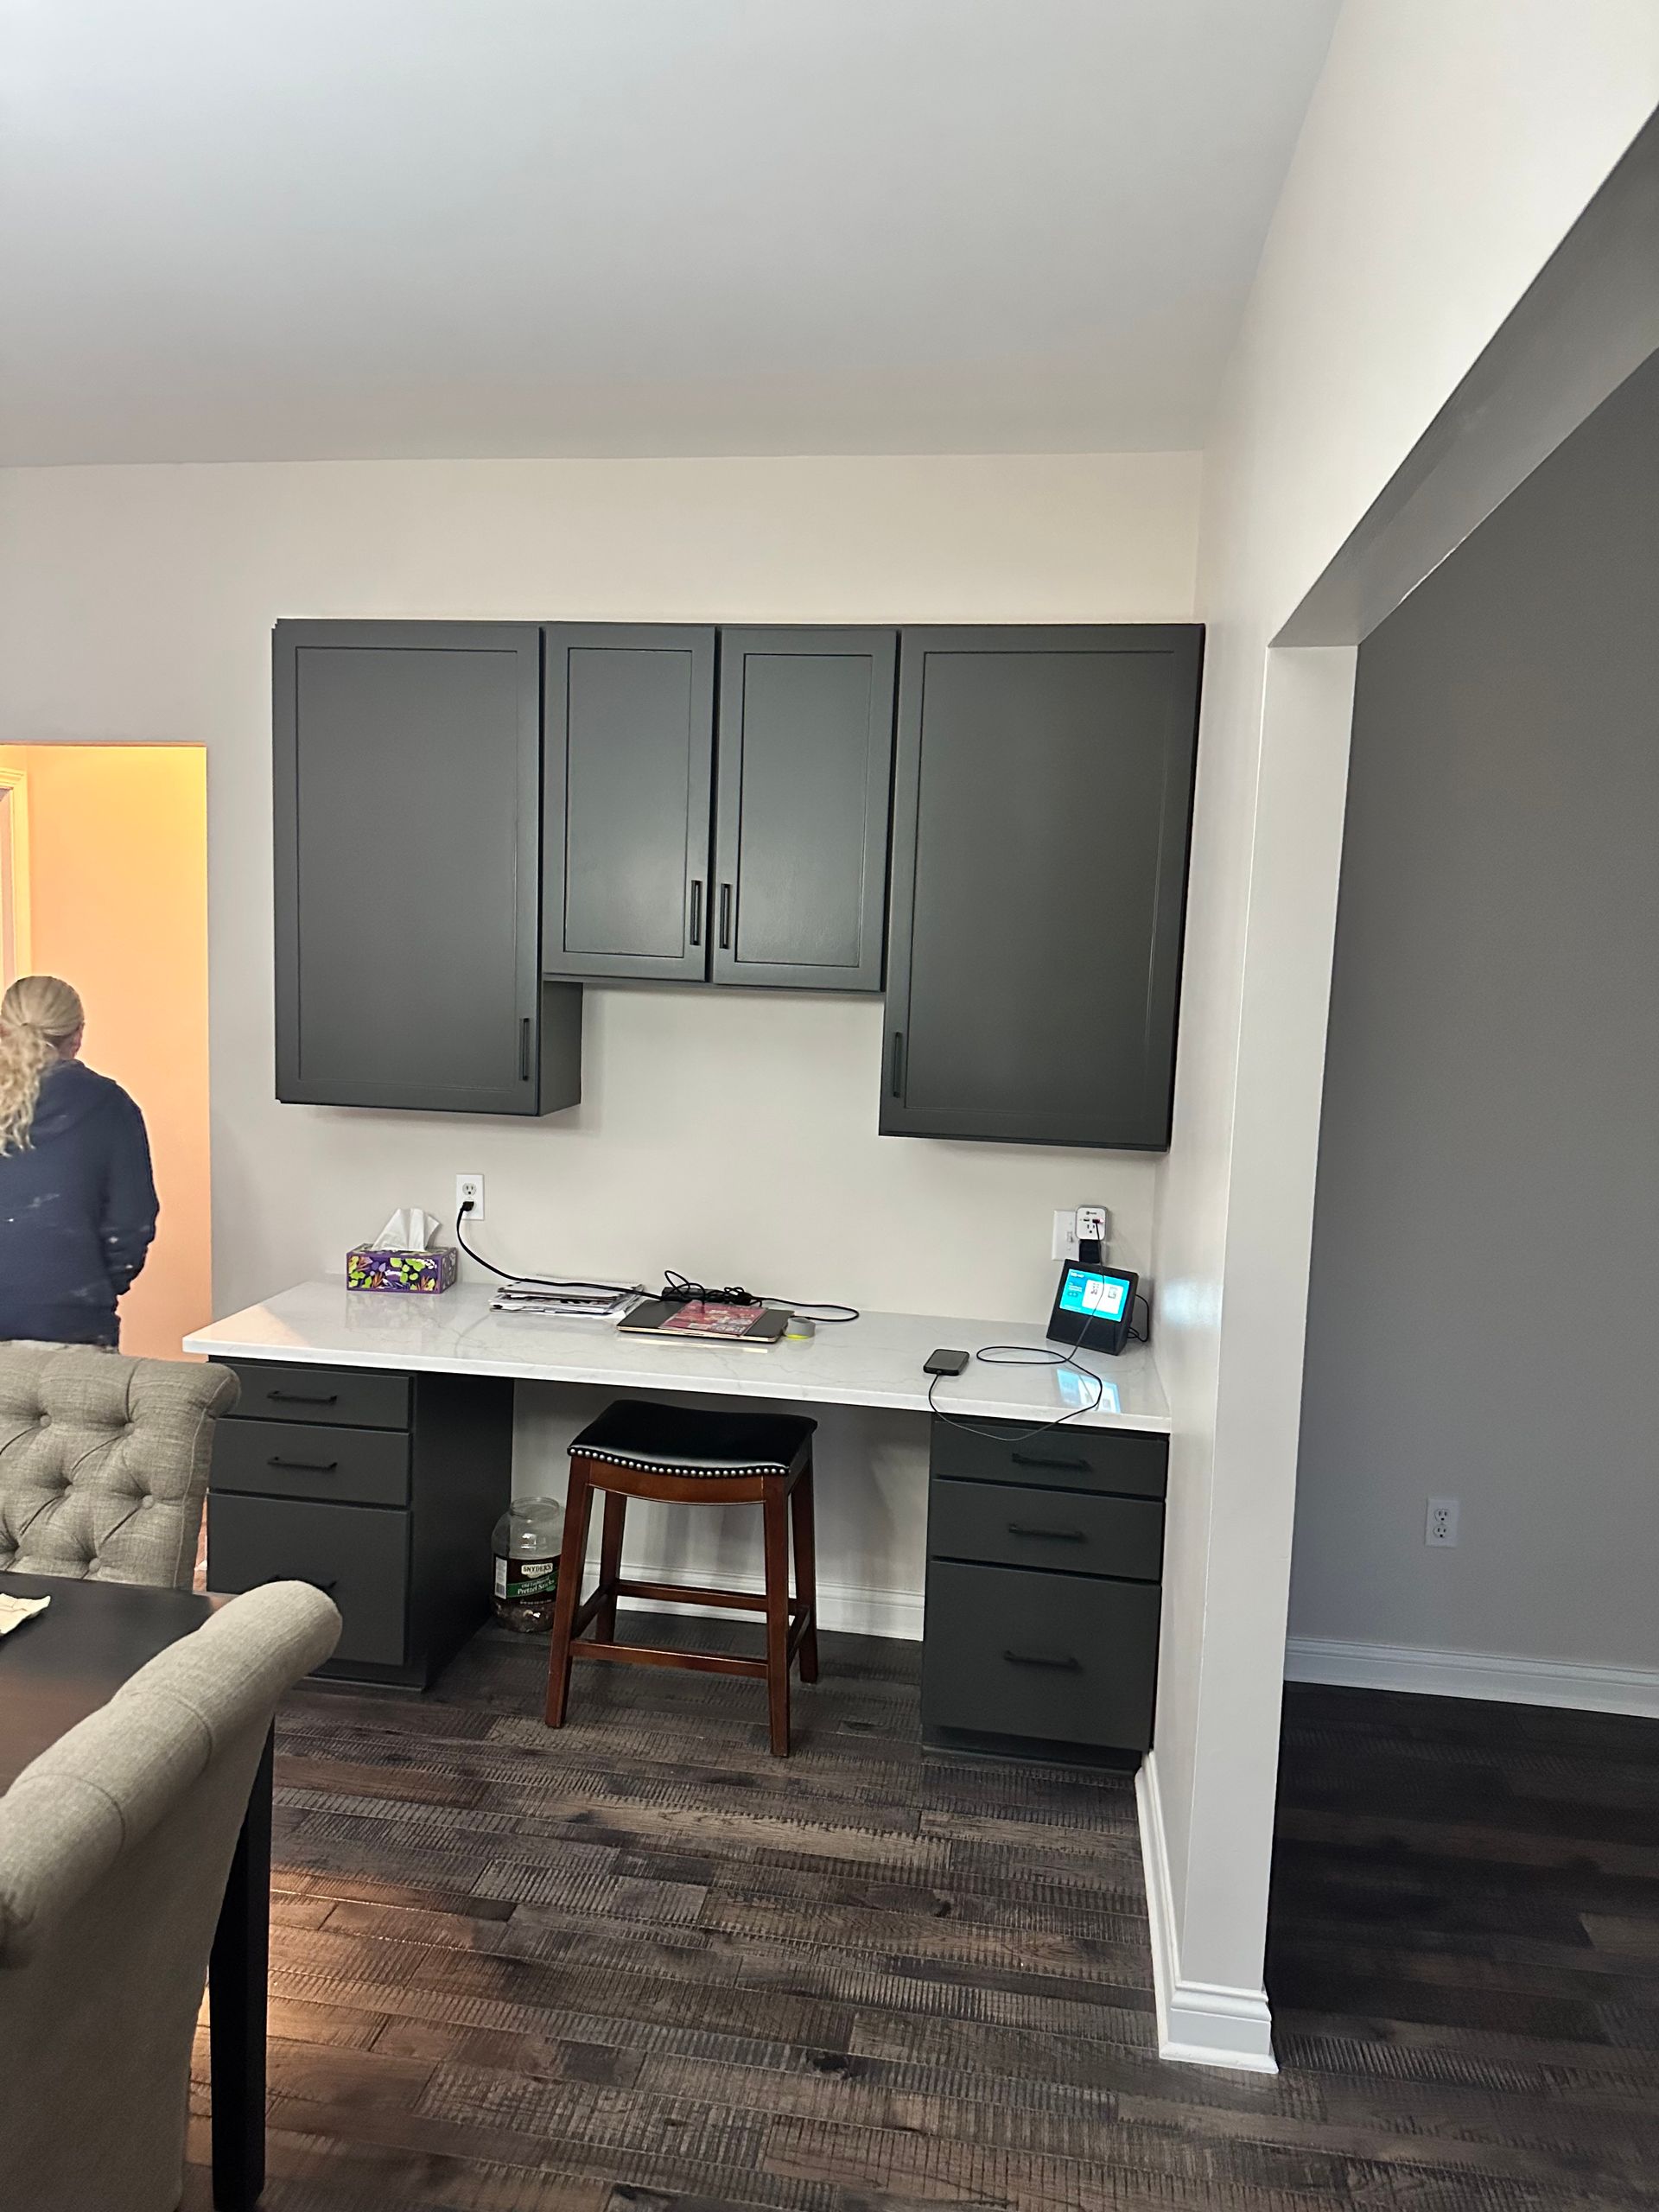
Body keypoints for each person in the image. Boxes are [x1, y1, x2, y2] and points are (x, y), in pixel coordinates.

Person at [0, 975, 158, 1348]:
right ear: (77, 1035)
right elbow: (131, 1224)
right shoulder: (108, 1105)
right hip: (71, 1326)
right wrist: (96, 1287)